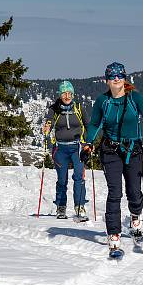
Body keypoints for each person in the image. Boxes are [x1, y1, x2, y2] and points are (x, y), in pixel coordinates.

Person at [82, 62, 143, 255]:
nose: (116, 79)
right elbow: (94, 124)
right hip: (110, 150)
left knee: (134, 191)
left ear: (125, 78)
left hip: (133, 149)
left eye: (120, 76)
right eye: (112, 77)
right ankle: (114, 234)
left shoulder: (134, 97)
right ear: (107, 80)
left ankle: (135, 219)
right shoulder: (102, 101)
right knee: (115, 192)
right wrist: (88, 145)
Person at [42, 80, 90, 220]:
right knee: (62, 179)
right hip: (60, 148)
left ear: (73, 94)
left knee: (79, 177)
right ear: (60, 95)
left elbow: (88, 125)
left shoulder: (79, 108)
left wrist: (89, 143)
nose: (67, 96)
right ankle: (61, 207)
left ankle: (79, 206)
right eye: (64, 93)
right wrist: (47, 128)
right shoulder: (54, 109)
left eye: (69, 93)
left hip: (77, 147)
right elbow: (49, 122)